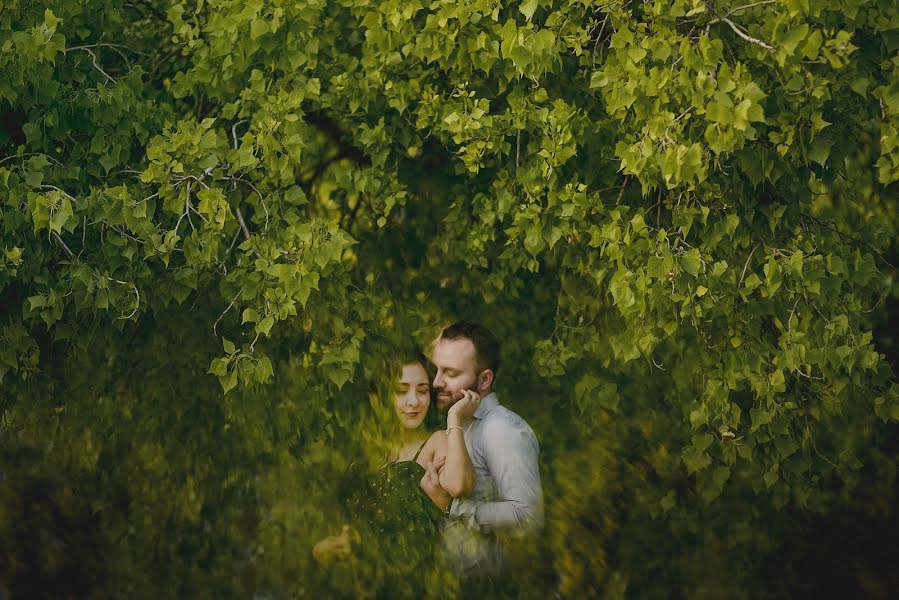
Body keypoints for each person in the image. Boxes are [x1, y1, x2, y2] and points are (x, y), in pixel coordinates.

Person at [312, 352, 477, 597]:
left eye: (422, 390)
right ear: (383, 396)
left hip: (422, 589)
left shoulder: (437, 442)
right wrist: (328, 549)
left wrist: (454, 417)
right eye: (401, 390)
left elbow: (460, 486)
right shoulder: (370, 454)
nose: (414, 401)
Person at [422, 322, 543, 585]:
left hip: (492, 586)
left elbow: (528, 517)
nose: (436, 382)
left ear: (485, 379)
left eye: (451, 373)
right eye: (436, 370)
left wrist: (453, 507)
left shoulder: (502, 429)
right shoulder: (459, 425)